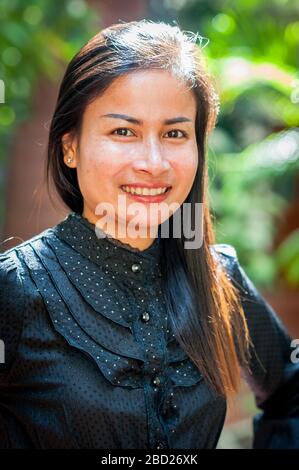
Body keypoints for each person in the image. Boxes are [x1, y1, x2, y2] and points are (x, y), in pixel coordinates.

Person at [0, 19, 298, 450]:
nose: (153, 162)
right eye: (124, 131)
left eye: (175, 133)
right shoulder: (16, 290)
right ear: (70, 146)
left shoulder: (218, 277)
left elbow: (291, 391)